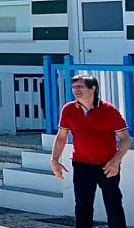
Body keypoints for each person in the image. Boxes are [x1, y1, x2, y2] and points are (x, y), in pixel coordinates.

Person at [51, 75, 129, 228]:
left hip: (108, 166)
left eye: (80, 86)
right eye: (74, 87)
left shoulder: (109, 110)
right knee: (82, 206)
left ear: (93, 88)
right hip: (82, 165)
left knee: (113, 204)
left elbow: (125, 139)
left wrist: (116, 160)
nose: (76, 90)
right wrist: (54, 160)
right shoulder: (68, 109)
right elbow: (61, 137)